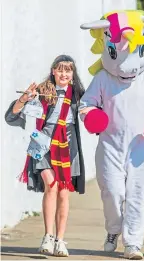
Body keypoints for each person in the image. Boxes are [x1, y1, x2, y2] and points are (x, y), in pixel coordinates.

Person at [79, 10, 144, 260]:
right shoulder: (102, 78)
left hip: (142, 147)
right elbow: (85, 104)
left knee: (139, 193)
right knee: (112, 190)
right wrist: (91, 116)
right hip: (110, 145)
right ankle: (113, 229)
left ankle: (133, 242)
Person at [5, 55, 85, 257]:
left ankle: (60, 239)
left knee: (63, 192)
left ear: (73, 75)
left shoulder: (78, 94)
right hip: (43, 143)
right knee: (51, 185)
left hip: (68, 145)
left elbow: (93, 114)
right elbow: (12, 116)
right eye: (60, 69)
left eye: (68, 70)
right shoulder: (43, 91)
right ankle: (47, 237)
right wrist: (24, 99)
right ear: (53, 71)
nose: (64, 73)